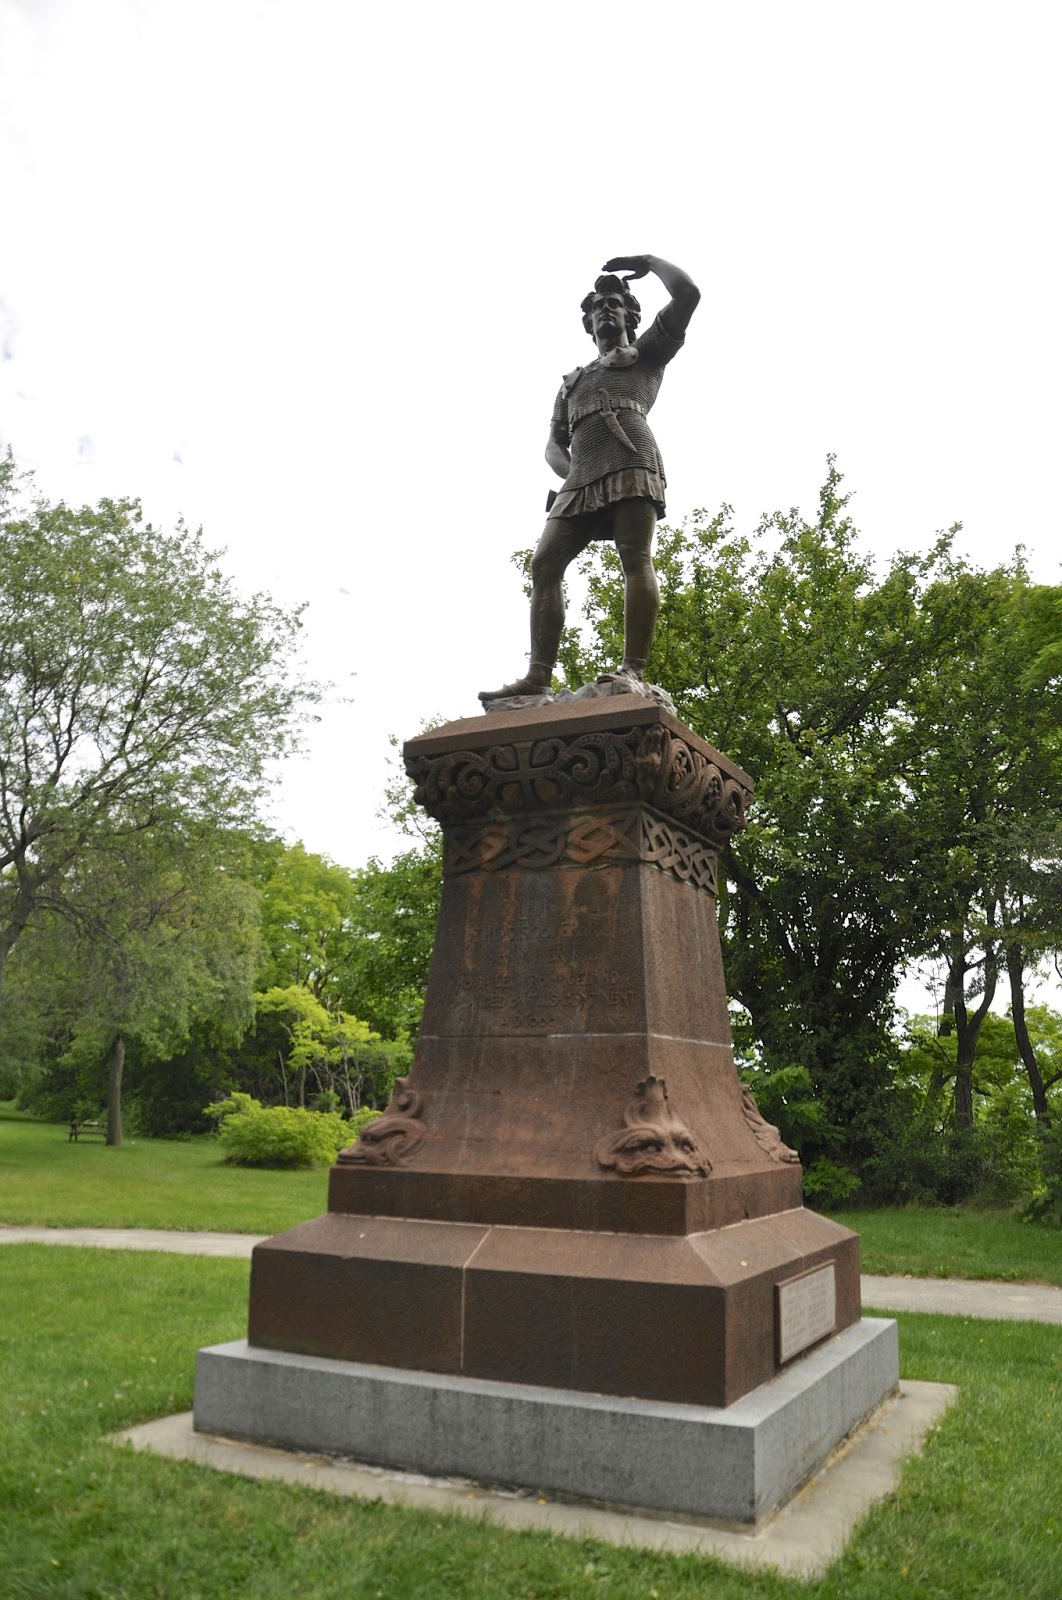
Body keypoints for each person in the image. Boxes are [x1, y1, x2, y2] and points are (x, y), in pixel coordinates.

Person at [479, 253, 699, 702]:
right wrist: (572, 473)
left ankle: (632, 670)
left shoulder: (647, 353)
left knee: (635, 557)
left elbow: (688, 294)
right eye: (598, 306)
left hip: (632, 458)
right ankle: (538, 678)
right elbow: (553, 445)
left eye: (613, 304)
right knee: (544, 564)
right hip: (581, 476)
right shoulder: (572, 382)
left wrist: (649, 262)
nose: (604, 310)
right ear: (587, 321)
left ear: (629, 315)